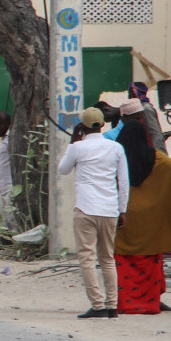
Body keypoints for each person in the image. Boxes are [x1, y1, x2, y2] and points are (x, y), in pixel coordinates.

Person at [58, 107, 129, 319]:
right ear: (103, 125)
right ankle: (112, 306)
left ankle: (97, 305)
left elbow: (63, 169)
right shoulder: (115, 148)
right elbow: (123, 182)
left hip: (86, 209)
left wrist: (73, 140)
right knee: (107, 258)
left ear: (82, 126)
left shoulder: (77, 148)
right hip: (109, 210)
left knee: (87, 258)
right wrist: (122, 210)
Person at [113, 122, 171, 314]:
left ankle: (125, 302)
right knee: (150, 263)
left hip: (123, 220)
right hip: (150, 223)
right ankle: (150, 302)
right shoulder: (157, 159)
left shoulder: (116, 156)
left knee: (124, 263)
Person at [0, 111, 17, 231]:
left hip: (10, 190)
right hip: (3, 190)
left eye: (0, 124)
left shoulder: (11, 139)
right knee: (4, 223)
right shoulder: (4, 140)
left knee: (12, 223)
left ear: (9, 123)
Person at [129, 82, 166, 153]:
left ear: (134, 93)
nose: (128, 96)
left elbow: (155, 133)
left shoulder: (146, 108)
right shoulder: (138, 109)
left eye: (130, 93)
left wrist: (157, 154)